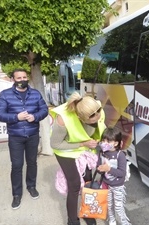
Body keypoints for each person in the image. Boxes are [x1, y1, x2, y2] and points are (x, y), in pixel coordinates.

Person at [0, 68, 48, 210]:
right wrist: (15, 117)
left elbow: (44, 110)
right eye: (19, 78)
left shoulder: (36, 94)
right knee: (17, 166)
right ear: (13, 79)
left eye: (24, 77)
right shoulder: (5, 95)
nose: (22, 80)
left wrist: (35, 116)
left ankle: (31, 186)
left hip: (32, 135)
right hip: (15, 137)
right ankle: (16, 194)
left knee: (32, 163)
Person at [50, 92, 106, 225]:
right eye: (92, 117)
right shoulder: (63, 119)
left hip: (85, 149)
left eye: (98, 114)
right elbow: (55, 144)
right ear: (80, 117)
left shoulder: (95, 108)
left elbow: (100, 127)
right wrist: (82, 143)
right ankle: (73, 221)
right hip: (66, 150)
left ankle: (87, 212)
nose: (97, 117)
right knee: (74, 184)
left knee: (88, 181)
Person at [97, 127, 131, 225]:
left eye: (108, 141)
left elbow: (122, 173)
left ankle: (125, 223)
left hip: (117, 185)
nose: (104, 142)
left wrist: (109, 169)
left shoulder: (120, 155)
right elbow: (99, 167)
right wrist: (100, 169)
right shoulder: (102, 153)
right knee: (109, 205)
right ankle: (112, 221)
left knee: (118, 207)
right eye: (103, 140)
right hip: (106, 184)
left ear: (115, 143)